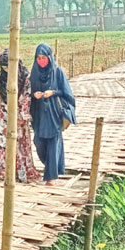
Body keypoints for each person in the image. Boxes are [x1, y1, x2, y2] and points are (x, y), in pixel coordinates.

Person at [29, 43, 76, 185]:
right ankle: (50, 167)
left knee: (53, 143)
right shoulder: (35, 73)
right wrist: (34, 95)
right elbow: (28, 92)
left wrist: (53, 92)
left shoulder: (58, 72)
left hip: (54, 113)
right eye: (38, 57)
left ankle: (51, 177)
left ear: (49, 57)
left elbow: (67, 93)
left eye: (44, 57)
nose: (41, 60)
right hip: (39, 115)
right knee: (38, 142)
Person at [0, 49, 40, 183]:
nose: (7, 70)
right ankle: (1, 170)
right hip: (4, 113)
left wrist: (20, 116)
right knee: (3, 143)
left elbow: (27, 98)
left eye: (9, 66)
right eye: (4, 67)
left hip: (19, 114)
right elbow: (1, 98)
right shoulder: (1, 78)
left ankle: (20, 171)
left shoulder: (25, 77)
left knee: (19, 144)